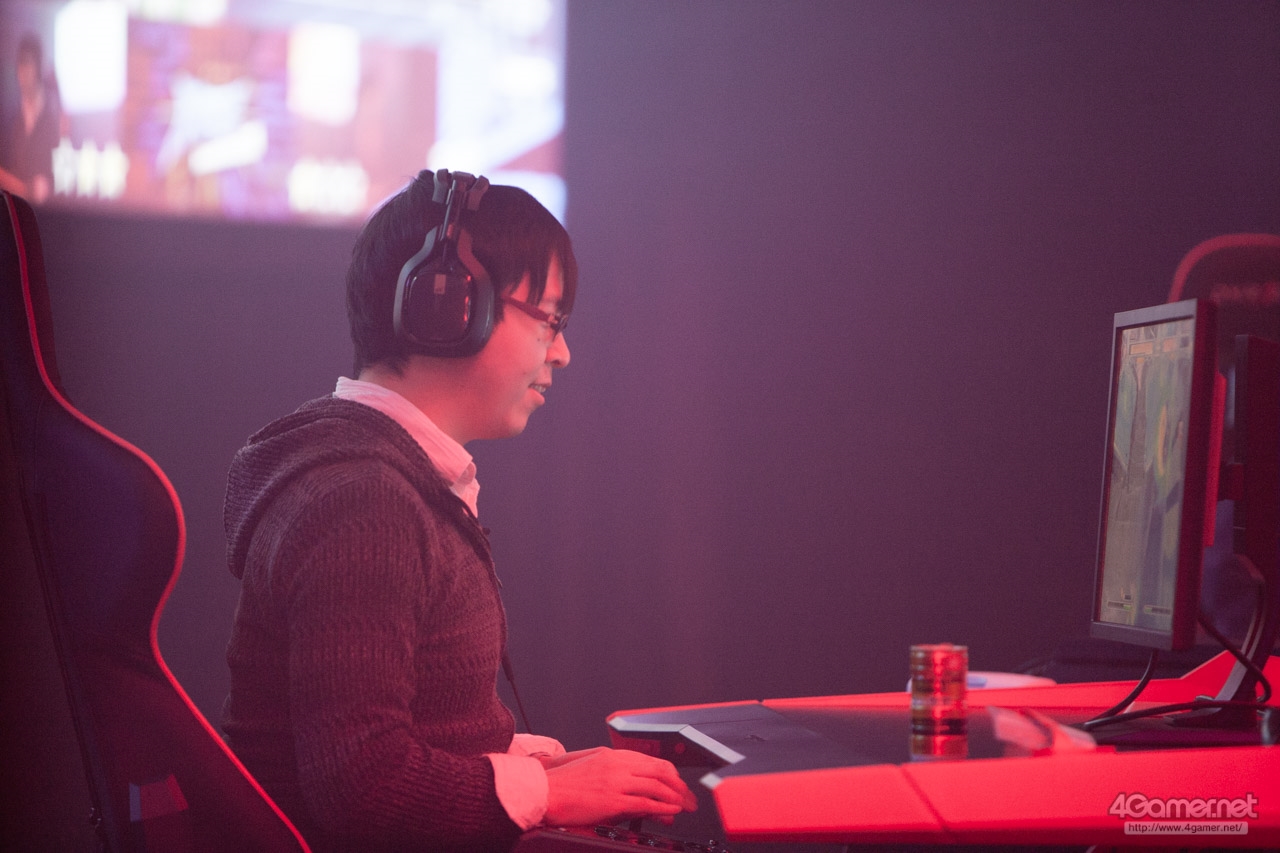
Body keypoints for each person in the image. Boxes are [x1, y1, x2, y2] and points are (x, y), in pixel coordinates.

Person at [220, 169, 697, 852]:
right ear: (447, 307)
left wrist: (546, 769)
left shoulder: (387, 482)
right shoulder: (363, 504)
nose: (563, 352)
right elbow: (363, 785)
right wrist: (551, 795)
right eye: (549, 319)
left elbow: (417, 736)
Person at [0, 34, 60, 203]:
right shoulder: (9, 116)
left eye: (27, 63)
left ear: (39, 67)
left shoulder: (55, 113)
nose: (22, 71)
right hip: (16, 209)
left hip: (53, 210)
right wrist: (23, 189)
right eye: (19, 64)